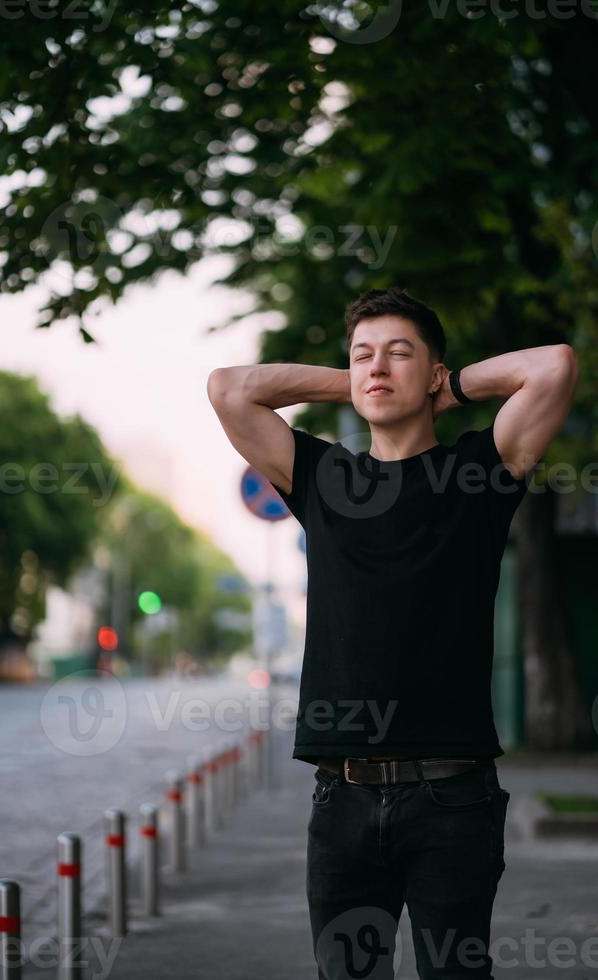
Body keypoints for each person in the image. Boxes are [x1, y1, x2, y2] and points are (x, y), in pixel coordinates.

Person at [207, 287, 579, 979]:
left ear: (433, 372)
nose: (376, 368)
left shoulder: (479, 470)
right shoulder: (323, 476)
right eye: (362, 356)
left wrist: (453, 386)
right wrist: (354, 381)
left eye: (398, 354)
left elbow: (553, 366)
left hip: (453, 798)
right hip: (340, 798)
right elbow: (230, 389)